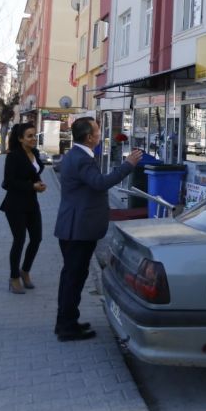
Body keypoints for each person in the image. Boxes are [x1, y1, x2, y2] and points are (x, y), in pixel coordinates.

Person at [53, 117, 143, 341]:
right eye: (97, 130)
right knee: (73, 278)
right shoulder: (82, 158)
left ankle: (67, 320)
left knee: (72, 276)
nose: (100, 133)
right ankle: (66, 326)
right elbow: (100, 183)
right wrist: (128, 165)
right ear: (89, 137)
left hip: (74, 226)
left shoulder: (76, 155)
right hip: (78, 229)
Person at [0, 123, 46, 294]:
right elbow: (8, 183)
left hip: (31, 203)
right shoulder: (13, 156)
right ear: (20, 139)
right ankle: (14, 278)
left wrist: (39, 183)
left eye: (34, 135)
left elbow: (34, 173)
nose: (33, 139)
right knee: (19, 240)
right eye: (29, 136)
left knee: (37, 239)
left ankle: (25, 271)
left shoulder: (35, 153)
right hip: (15, 204)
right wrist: (31, 186)